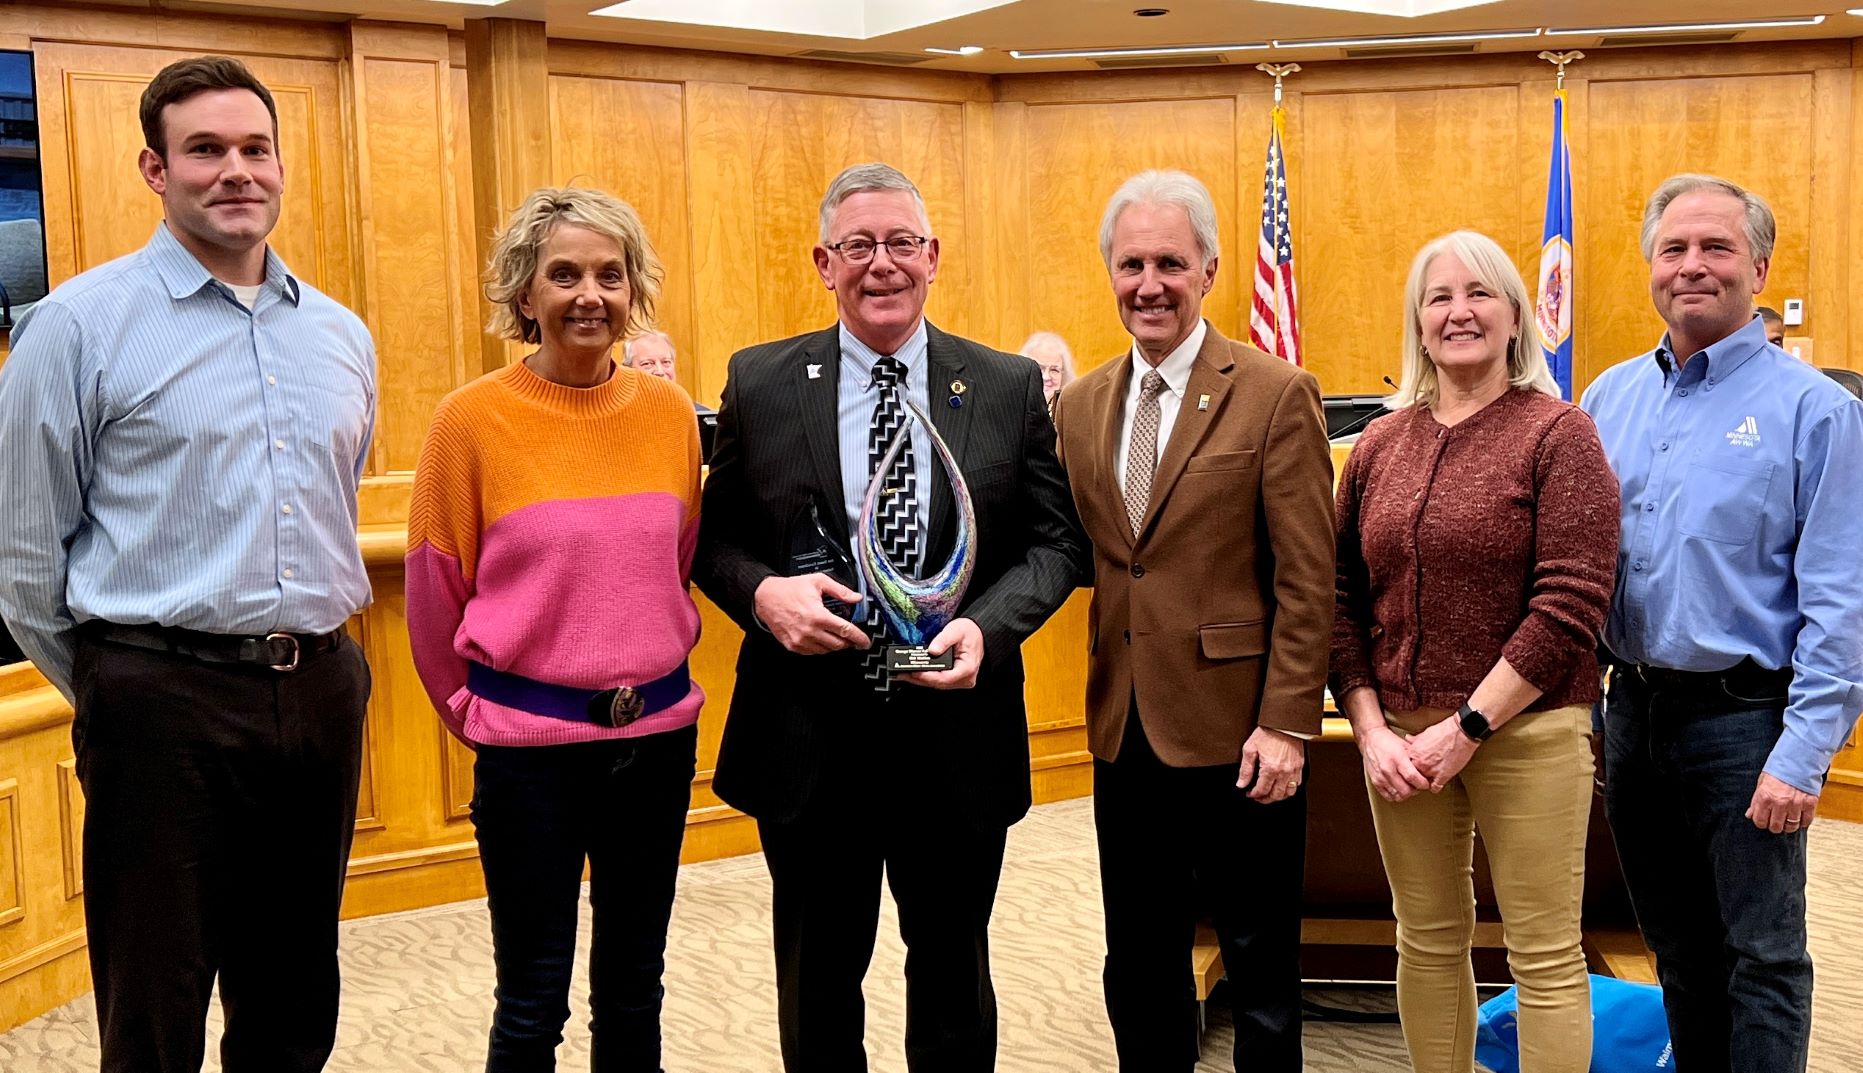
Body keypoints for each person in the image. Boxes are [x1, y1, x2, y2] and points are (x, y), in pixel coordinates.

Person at [0, 56, 376, 1073]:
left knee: (296, 987)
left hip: (322, 687)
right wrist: (123, 686)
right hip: (157, 700)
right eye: (205, 149)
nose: (235, 170)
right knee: (156, 996)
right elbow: (27, 561)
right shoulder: (74, 328)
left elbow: (335, 506)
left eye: (255, 149)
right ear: (155, 168)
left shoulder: (340, 335)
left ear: (281, 167)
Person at [694, 161, 1084, 1073]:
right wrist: (761, 595)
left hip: (954, 734)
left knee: (952, 978)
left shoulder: (1004, 384)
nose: (882, 264)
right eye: (859, 245)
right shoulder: (760, 381)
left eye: (901, 242)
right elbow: (713, 542)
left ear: (934, 256)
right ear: (823, 261)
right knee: (818, 983)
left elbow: (1057, 545)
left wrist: (989, 625)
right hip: (808, 738)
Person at [405, 186, 703, 1072]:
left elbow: (673, 560)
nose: (589, 295)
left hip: (654, 744)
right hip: (529, 754)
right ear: (523, 295)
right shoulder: (470, 420)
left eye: (610, 275)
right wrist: (481, 716)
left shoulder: (669, 415)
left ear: (633, 290)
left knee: (634, 989)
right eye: (563, 274)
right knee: (533, 998)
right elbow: (433, 596)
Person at [1049, 169, 1333, 1073]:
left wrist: (1286, 722)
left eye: (1170, 261)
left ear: (1208, 268)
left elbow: (1306, 576)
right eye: (1130, 263)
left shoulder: (1274, 391)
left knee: (1258, 963)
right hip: (1123, 729)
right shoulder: (1083, 405)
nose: (1149, 282)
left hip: (1242, 735)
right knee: (1137, 957)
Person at [1581, 173, 1863, 1073]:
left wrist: (1803, 751)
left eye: (1715, 248)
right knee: (1677, 951)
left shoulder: (1817, 412)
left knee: (1762, 957)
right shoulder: (1605, 399)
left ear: (1759, 265)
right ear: (1649, 267)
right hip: (1631, 718)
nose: (1691, 266)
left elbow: (1842, 598)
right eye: (1673, 249)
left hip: (1748, 724)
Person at [1331, 230, 1619, 1073]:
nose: (1458, 312)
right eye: (1438, 297)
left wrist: (1466, 725)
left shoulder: (1559, 434)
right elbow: (1341, 598)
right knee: (1422, 938)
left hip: (1523, 731)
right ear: (1417, 325)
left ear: (1514, 314)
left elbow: (1570, 602)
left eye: (1478, 293)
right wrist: (1372, 728)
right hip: (1398, 743)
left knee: (1541, 953)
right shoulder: (1379, 445)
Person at [1018, 330, 1075, 409]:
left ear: (1064, 375)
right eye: (1039, 368)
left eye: (1054, 370)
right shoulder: (1013, 407)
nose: (1046, 377)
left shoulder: (1071, 410)